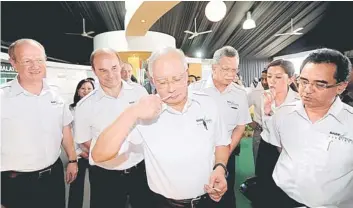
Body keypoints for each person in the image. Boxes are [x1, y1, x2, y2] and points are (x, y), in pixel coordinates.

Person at [91, 47, 230, 208]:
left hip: (209, 201)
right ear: (153, 80)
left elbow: (221, 143)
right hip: (162, 204)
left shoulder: (208, 104)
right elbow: (99, 154)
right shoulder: (143, 113)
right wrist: (132, 113)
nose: (171, 88)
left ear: (186, 74)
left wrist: (220, 168)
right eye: (162, 82)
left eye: (177, 79)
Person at [263, 48, 353, 207]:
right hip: (280, 197)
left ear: (341, 86)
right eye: (303, 81)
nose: (307, 90)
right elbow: (280, 148)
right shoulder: (283, 114)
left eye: (320, 84)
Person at [1, 39, 78, 208]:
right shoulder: (2, 98)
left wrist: (72, 160)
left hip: (53, 176)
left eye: (39, 60)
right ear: (13, 63)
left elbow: (65, 128)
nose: (35, 66)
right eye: (27, 61)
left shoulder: (55, 93)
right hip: (15, 182)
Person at [74, 48, 152, 208]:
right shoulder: (85, 105)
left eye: (114, 68)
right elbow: (84, 141)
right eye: (103, 70)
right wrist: (113, 151)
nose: (110, 75)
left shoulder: (139, 92)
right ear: (94, 71)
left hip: (140, 170)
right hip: (105, 175)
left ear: (120, 65)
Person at [189, 46, 252, 208]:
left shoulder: (239, 93)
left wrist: (227, 152)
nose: (231, 75)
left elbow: (240, 126)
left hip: (227, 153)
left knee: (225, 195)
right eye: (226, 69)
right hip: (199, 153)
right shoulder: (195, 90)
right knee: (199, 193)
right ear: (214, 67)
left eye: (234, 70)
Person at [252, 59, 300, 208]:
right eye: (269, 76)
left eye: (278, 77)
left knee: (286, 194)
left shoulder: (299, 101)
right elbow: (268, 129)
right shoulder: (265, 96)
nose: (272, 81)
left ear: (291, 79)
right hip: (268, 149)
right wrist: (268, 111)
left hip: (290, 151)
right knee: (265, 190)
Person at [68, 78, 95, 208]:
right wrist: (79, 152)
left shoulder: (98, 109)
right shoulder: (71, 110)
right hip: (78, 155)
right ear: (78, 91)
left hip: (95, 154)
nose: (86, 91)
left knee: (97, 187)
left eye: (89, 88)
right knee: (76, 186)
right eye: (83, 88)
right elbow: (69, 134)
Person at [247, 69, 269, 165]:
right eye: (262, 79)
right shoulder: (256, 92)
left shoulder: (280, 93)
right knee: (258, 162)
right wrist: (249, 121)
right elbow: (241, 107)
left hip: (277, 134)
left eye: (267, 79)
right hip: (259, 132)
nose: (264, 82)